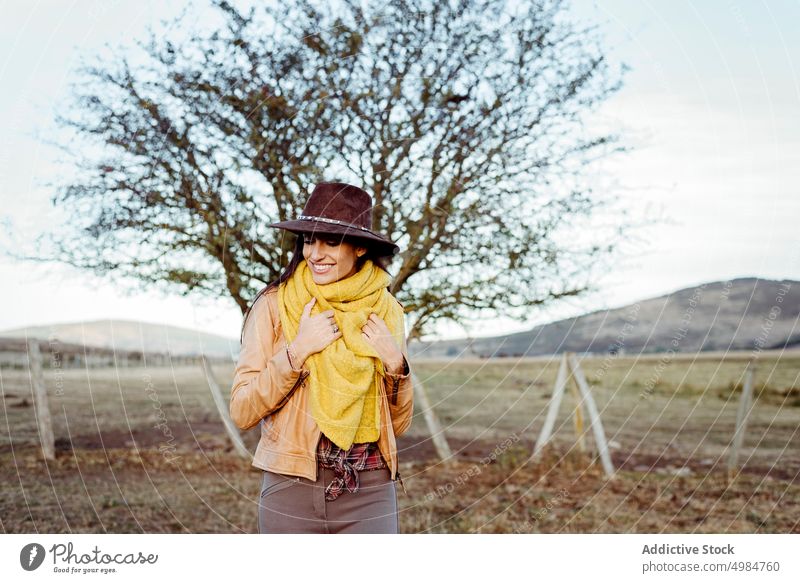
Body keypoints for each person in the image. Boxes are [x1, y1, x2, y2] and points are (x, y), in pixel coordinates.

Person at [229, 182, 414, 534]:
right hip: (291, 486)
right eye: (309, 241)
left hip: (370, 488)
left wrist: (396, 366)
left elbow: (400, 425)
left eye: (330, 241)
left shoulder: (388, 312)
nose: (315, 254)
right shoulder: (273, 305)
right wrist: (297, 351)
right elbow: (242, 410)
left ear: (360, 248)